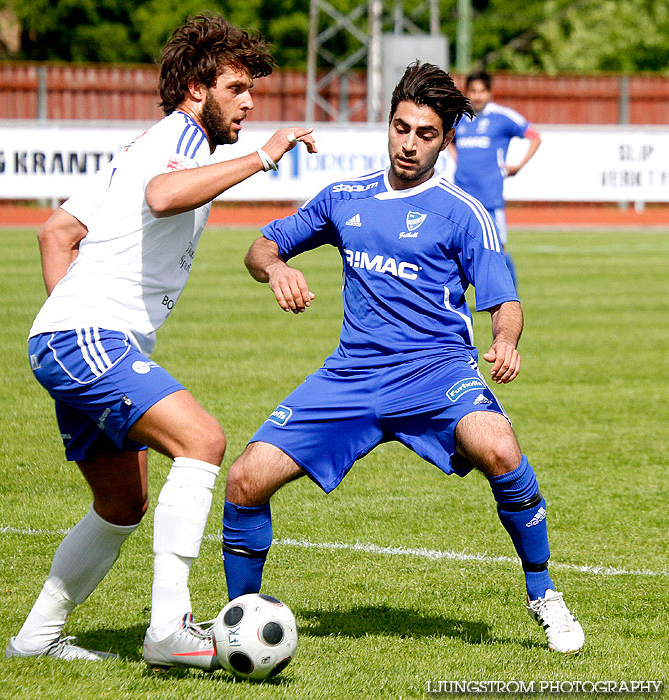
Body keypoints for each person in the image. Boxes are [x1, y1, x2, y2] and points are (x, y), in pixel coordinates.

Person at [221, 61, 584, 654]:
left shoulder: (464, 213)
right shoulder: (344, 198)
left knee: (500, 448)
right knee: (244, 479)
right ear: (388, 125)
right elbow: (261, 247)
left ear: (446, 141)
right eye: (400, 128)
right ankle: (238, 618)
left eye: (425, 134)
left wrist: (505, 340)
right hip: (352, 376)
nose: (408, 144)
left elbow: (505, 300)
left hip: (436, 373)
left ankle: (543, 593)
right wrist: (277, 269)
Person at [6, 12, 316, 668]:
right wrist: (261, 158)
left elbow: (55, 232)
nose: (251, 102)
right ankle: (169, 631)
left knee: (122, 504)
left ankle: (34, 639)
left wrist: (68, 318)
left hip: (77, 334)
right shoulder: (176, 140)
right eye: (236, 88)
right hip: (89, 336)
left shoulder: (147, 143)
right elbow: (164, 195)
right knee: (203, 440)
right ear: (196, 89)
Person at [450, 70, 541, 288]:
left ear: (490, 93)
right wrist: (457, 158)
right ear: (466, 92)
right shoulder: (458, 118)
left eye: (482, 91)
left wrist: (517, 166)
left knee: (498, 249)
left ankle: (510, 299)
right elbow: (447, 139)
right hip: (461, 197)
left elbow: (534, 137)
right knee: (453, 250)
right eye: (473, 91)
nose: (477, 96)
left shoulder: (502, 117)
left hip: (489, 198)